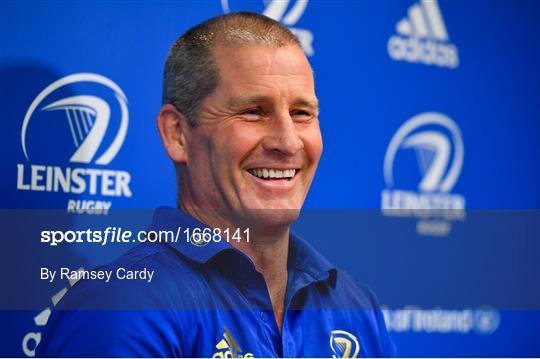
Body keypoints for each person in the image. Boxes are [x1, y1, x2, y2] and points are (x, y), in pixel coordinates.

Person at [37, 12, 395, 357]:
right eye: (253, 111)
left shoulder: (354, 305)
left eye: (302, 114)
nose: (288, 143)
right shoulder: (123, 305)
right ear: (177, 134)